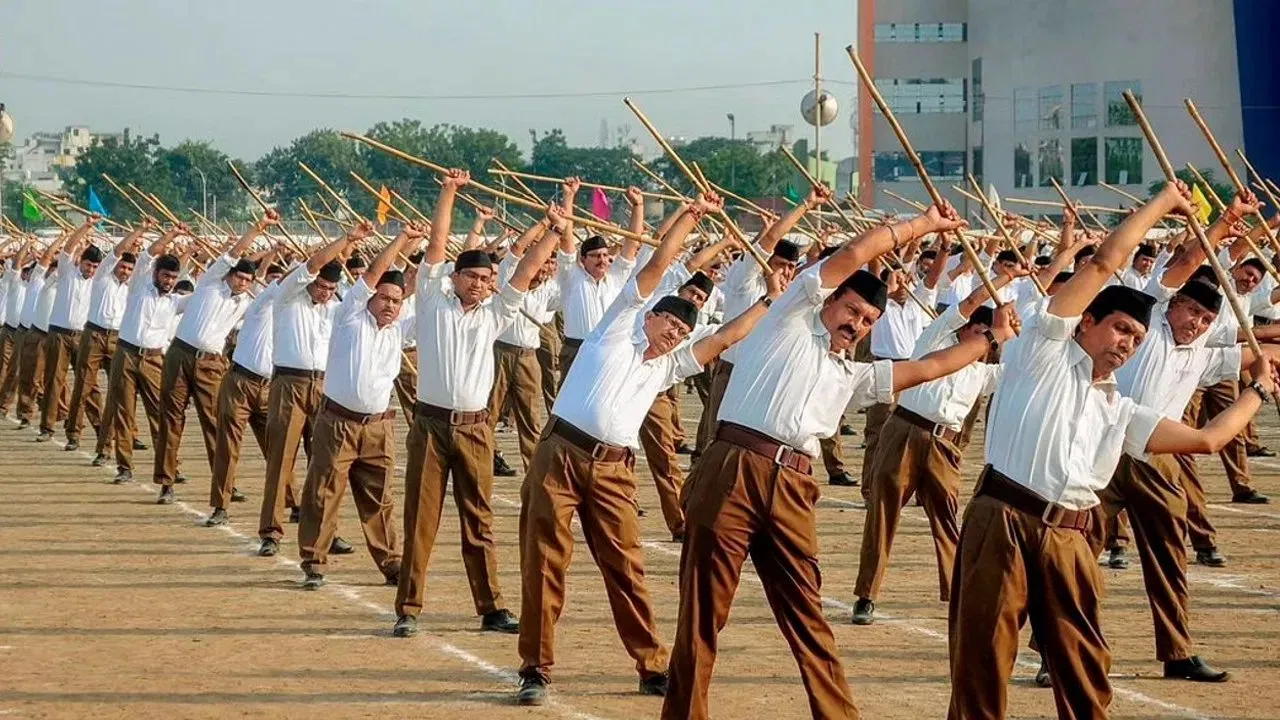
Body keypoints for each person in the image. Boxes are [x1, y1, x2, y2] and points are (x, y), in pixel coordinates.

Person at [662, 201, 1015, 720]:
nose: (858, 323)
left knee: (809, 615)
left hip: (794, 490)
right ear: (830, 299)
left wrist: (991, 338)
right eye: (852, 310)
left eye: (869, 320)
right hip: (734, 466)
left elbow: (928, 367)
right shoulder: (791, 316)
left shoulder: (851, 376)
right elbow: (856, 251)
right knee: (703, 612)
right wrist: (923, 226)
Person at [945, 181, 1278, 720]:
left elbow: (1208, 439)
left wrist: (1258, 391)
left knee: (1085, 669)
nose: (1126, 343)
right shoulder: (1043, 351)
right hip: (1003, 517)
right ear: (1089, 322)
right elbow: (1102, 264)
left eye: (1135, 339)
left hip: (1072, 537)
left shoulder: (1119, 410)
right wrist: (1165, 204)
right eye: (1120, 329)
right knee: (981, 664)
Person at [516, 191, 775, 707]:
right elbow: (657, 264)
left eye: (681, 331)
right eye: (669, 324)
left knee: (626, 567)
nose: (673, 334)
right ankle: (535, 669)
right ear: (651, 317)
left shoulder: (668, 365)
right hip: (561, 455)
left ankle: (651, 663)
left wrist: (771, 301)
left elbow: (722, 339)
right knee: (544, 562)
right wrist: (689, 217)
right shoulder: (615, 329)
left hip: (614, 471)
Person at [393, 169, 563, 638]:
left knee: (480, 519)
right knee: (421, 518)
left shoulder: (495, 313)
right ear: (456, 277)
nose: (483, 283)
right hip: (429, 425)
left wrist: (554, 229)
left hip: (475, 427)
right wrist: (448, 191)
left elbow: (525, 272)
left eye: (488, 277)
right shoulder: (431, 300)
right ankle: (408, 607)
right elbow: (437, 241)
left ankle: (491, 607)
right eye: (475, 276)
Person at [851, 269, 1020, 625]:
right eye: (978, 334)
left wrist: (1018, 332)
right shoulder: (936, 338)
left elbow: (1024, 366)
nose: (983, 343)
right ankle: (867, 594)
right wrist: (1005, 278)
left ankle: (958, 593)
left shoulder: (985, 373)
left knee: (948, 520)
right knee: (883, 512)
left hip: (945, 445)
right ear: (964, 331)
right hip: (905, 430)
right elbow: (970, 303)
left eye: (988, 339)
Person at [296, 221, 420, 589]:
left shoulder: (400, 326)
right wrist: (401, 240)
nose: (390, 306)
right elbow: (374, 273)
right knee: (324, 493)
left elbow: (417, 283)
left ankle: (391, 561)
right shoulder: (350, 314)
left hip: (380, 427)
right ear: (368, 297)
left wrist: (422, 244)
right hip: (338, 422)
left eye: (396, 301)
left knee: (380, 499)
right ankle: (314, 560)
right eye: (383, 298)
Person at [153, 214, 276, 504]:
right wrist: (258, 228)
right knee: (171, 418)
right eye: (239, 276)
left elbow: (270, 289)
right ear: (229, 275)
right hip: (180, 354)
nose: (243, 282)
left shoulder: (247, 302)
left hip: (212, 364)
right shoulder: (210, 282)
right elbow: (234, 254)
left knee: (215, 423)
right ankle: (166, 482)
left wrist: (270, 256)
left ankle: (225, 485)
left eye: (248, 280)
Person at [255, 228, 349, 557]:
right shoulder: (287, 297)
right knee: (281, 459)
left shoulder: (334, 309)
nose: (324, 293)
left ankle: (326, 531)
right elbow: (314, 262)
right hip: (288, 384)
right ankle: (271, 531)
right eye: (320, 286)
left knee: (325, 464)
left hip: (323, 386)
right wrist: (346, 240)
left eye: (330, 288)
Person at [205, 257, 287, 525]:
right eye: (272, 279)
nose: (276, 283)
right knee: (228, 446)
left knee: (277, 450)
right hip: (240, 383)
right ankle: (220, 506)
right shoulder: (260, 303)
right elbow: (288, 282)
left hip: (270, 388)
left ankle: (293, 501)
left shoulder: (292, 312)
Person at [104, 226, 187, 484]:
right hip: (126, 353)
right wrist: (171, 235)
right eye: (165, 275)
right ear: (155, 273)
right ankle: (124, 467)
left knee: (160, 414)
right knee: (124, 411)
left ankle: (170, 466)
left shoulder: (176, 301)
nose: (169, 281)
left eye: (173, 277)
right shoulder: (139, 285)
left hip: (154, 359)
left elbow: (207, 295)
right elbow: (149, 253)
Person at [488, 222, 560, 472]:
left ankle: (534, 470)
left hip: (528, 357)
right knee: (489, 412)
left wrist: (563, 230)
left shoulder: (549, 290)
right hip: (500, 352)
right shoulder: (511, 277)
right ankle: (488, 455)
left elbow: (570, 283)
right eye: (541, 263)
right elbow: (518, 247)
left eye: (550, 264)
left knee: (531, 417)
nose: (544, 269)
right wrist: (544, 225)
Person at [68, 223, 144, 462]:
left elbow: (147, 265)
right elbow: (118, 251)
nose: (125, 271)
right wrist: (139, 231)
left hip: (118, 340)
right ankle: (73, 433)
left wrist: (139, 247)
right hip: (93, 335)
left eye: (129, 268)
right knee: (84, 385)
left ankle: (108, 444)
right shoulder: (102, 276)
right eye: (122, 266)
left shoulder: (132, 286)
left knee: (119, 392)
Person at [555, 177, 639, 384]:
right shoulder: (571, 277)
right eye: (595, 256)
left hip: (609, 349)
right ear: (583, 259)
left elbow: (632, 243)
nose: (602, 260)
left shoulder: (616, 277)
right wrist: (569, 196)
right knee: (570, 407)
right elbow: (566, 239)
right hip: (577, 349)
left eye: (604, 255)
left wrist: (638, 205)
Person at [37, 218, 101, 442]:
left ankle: (97, 427)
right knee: (54, 379)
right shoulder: (66, 272)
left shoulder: (97, 281)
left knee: (88, 383)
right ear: (80, 262)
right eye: (87, 265)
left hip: (83, 336)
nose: (90, 270)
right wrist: (86, 226)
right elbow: (69, 247)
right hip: (59, 334)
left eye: (94, 267)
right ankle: (47, 428)